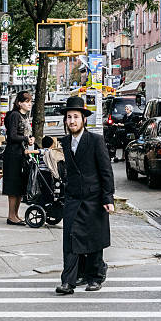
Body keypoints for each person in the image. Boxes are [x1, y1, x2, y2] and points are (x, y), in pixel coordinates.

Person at [55, 96, 115, 295]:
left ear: (83, 120)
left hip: (94, 198)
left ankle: (96, 275)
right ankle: (68, 281)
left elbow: (106, 170)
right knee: (70, 239)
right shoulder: (64, 142)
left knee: (93, 239)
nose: (72, 121)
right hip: (73, 198)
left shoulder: (95, 140)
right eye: (69, 117)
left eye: (76, 117)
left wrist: (108, 198)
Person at [2, 90, 34, 225]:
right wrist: (27, 138)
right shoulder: (14, 115)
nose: (30, 104)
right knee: (13, 185)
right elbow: (12, 136)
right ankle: (11, 216)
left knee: (20, 186)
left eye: (30, 101)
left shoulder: (25, 116)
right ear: (19, 103)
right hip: (13, 154)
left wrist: (29, 141)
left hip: (22, 154)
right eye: (27, 102)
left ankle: (16, 214)